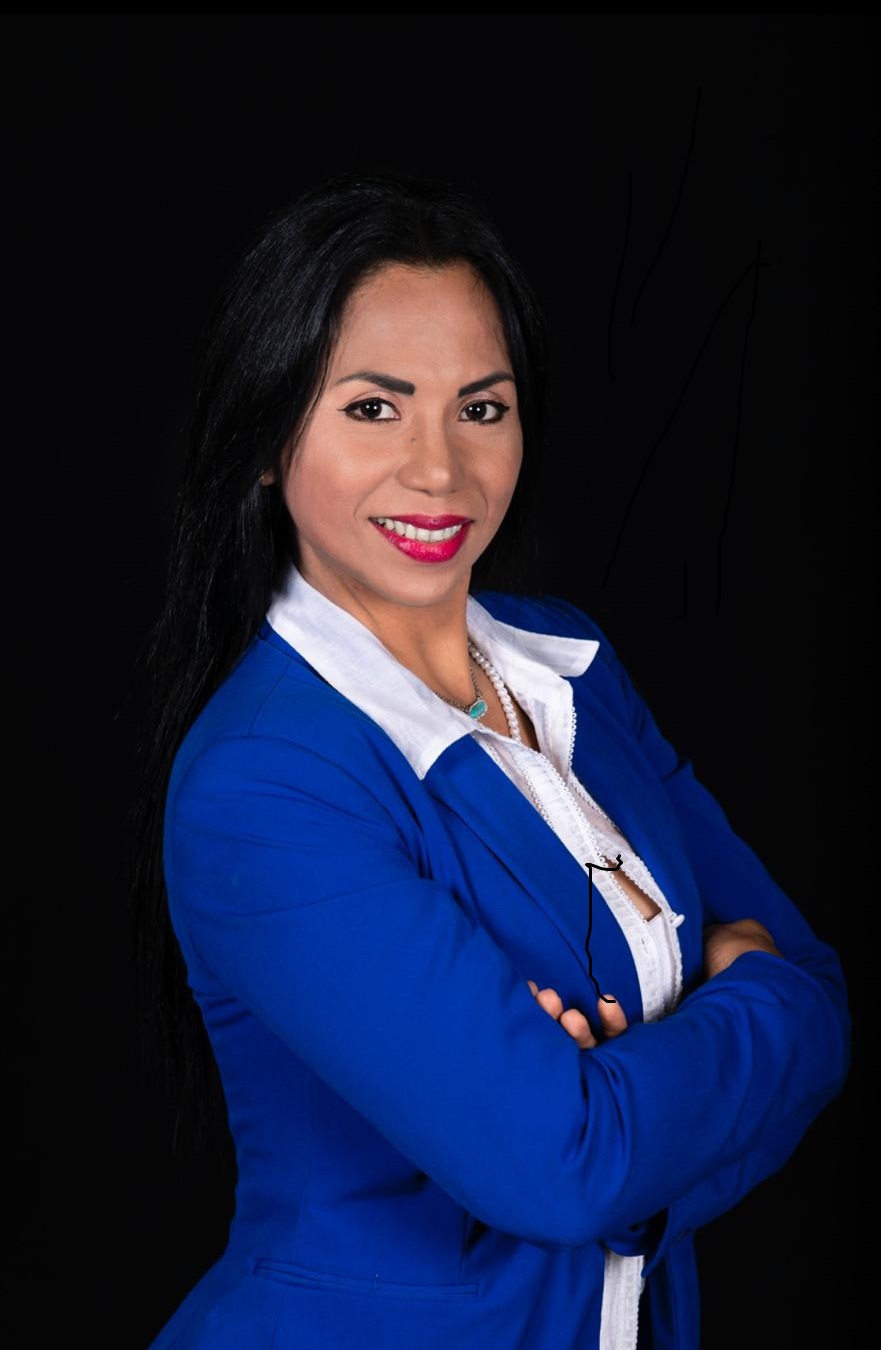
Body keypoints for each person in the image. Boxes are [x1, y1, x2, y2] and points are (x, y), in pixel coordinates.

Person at [130, 170, 850, 1350]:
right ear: (266, 441)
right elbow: (567, 1169)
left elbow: (824, 999)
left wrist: (635, 1101)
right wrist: (741, 995)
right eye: (374, 408)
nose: (440, 469)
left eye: (481, 406)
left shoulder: (573, 666)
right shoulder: (263, 783)